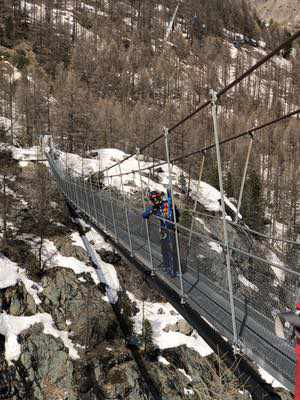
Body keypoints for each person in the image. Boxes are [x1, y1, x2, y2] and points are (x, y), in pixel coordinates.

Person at [143, 190, 180, 278]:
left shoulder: (166, 204)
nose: (155, 201)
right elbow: (144, 215)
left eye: (156, 199)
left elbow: (173, 212)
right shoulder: (157, 206)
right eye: (154, 200)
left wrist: (170, 194)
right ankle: (169, 269)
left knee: (169, 250)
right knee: (166, 250)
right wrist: (151, 211)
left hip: (169, 230)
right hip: (165, 230)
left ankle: (169, 269)